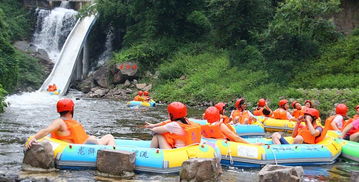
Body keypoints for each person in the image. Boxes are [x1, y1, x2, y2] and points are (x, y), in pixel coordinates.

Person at [25, 98, 115, 149]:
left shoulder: (63, 121)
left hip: (79, 145)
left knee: (93, 137)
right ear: (71, 109)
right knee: (109, 136)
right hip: (81, 148)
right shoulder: (60, 122)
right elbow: (46, 131)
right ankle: (111, 153)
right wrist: (34, 138)